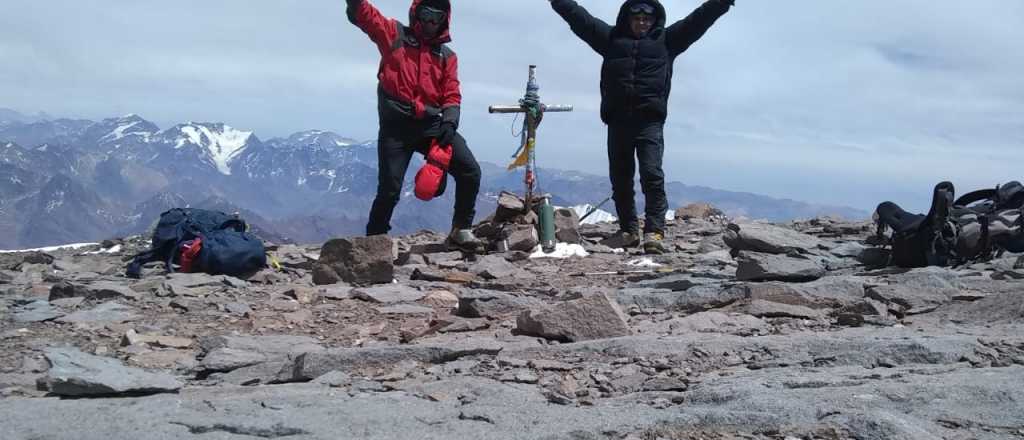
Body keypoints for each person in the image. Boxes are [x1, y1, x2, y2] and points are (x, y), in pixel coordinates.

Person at [548, 0, 734, 254]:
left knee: (652, 175)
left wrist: (721, 3)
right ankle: (628, 230)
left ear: (654, 20)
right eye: (637, 19)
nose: (642, 23)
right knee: (621, 179)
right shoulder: (611, 40)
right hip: (618, 122)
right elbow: (581, 19)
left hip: (649, 122)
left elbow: (698, 20)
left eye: (647, 19)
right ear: (628, 18)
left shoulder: (668, 41)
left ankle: (654, 232)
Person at [346, 0, 484, 252]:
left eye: (437, 17)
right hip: (396, 128)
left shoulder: (446, 56)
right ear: (417, 14)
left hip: (432, 126)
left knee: (470, 171)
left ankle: (460, 230)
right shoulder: (393, 34)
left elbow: (452, 92)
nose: (432, 23)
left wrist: (450, 120)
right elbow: (366, 15)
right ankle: (373, 243)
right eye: (427, 14)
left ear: (445, 20)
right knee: (389, 189)